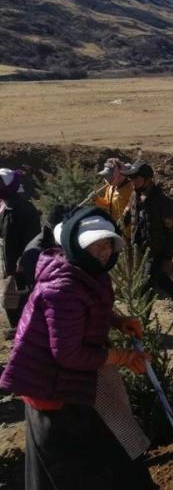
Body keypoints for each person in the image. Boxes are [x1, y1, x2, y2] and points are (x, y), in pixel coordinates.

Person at [0, 207, 155, 489]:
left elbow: (87, 311)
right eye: (95, 246)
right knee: (70, 473)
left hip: (74, 382)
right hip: (51, 390)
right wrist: (121, 356)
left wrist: (118, 321)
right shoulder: (62, 289)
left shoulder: (89, 274)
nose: (104, 251)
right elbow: (67, 354)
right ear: (76, 247)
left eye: (108, 243)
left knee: (105, 452)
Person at [123, 161, 173, 322]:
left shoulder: (163, 202)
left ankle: (142, 322)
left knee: (147, 284)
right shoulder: (134, 196)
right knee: (161, 279)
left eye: (136, 178)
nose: (132, 181)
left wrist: (168, 258)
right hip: (140, 249)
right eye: (131, 178)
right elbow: (126, 218)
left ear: (148, 179)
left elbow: (172, 233)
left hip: (157, 251)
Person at [0, 169, 41, 339]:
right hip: (11, 262)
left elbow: (33, 239)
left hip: (22, 264)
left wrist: (23, 262)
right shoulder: (7, 205)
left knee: (21, 296)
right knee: (11, 297)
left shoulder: (24, 209)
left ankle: (24, 330)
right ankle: (18, 328)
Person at [94, 158, 134, 237]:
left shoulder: (131, 189)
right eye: (105, 176)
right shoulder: (110, 188)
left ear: (118, 173)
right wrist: (97, 199)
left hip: (129, 232)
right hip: (115, 227)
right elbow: (107, 204)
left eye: (109, 176)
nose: (107, 179)